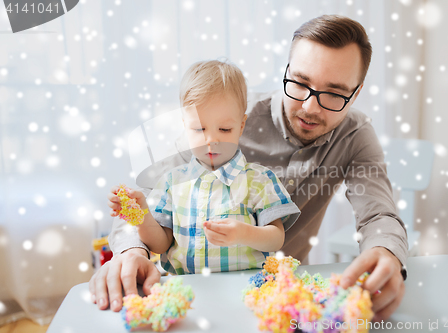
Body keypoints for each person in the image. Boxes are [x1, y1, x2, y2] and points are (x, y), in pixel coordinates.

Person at [90, 15, 408, 322]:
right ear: (286, 70)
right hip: (190, 292)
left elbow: (378, 213)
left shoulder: (355, 134)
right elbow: (148, 198)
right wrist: (132, 250)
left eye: (335, 93)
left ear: (356, 93)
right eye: (299, 82)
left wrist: (386, 252)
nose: (310, 107)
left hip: (279, 295)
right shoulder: (222, 114)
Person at [112, 60, 300, 275]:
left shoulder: (258, 179)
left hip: (244, 287)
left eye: (224, 129)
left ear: (241, 126)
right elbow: (160, 245)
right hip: (186, 290)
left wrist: (244, 234)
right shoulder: (172, 182)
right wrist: (142, 215)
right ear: (185, 125)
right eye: (199, 129)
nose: (211, 140)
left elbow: (276, 239)